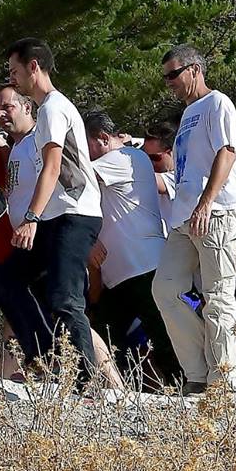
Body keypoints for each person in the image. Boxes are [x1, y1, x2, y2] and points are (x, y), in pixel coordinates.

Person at [151, 44, 236, 394]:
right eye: (166, 77)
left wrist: (207, 202)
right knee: (165, 289)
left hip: (217, 213)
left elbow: (228, 151)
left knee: (219, 297)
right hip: (186, 218)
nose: (169, 83)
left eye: (173, 74)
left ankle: (224, 382)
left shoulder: (217, 103)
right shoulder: (190, 114)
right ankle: (198, 371)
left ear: (194, 69)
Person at [2, 38, 104, 381]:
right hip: (54, 216)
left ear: (34, 67)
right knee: (10, 281)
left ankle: (85, 381)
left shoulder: (53, 107)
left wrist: (30, 217)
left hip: (74, 214)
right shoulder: (48, 108)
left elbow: (52, 165)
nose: (12, 79)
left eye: (15, 71)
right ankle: (44, 360)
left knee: (65, 296)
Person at [87, 110, 179, 384]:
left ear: (103, 139)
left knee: (161, 337)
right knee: (111, 338)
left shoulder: (120, 159)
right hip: (127, 272)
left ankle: (186, 391)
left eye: (86, 145)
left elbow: (69, 174)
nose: (84, 152)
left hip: (141, 268)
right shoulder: (130, 156)